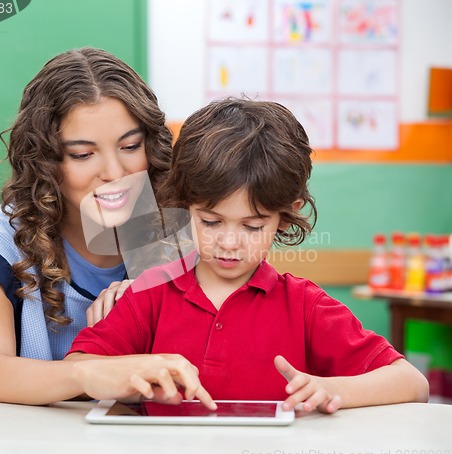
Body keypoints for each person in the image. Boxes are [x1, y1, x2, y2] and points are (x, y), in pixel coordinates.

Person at [65, 97, 429, 413]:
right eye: (210, 221)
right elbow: (79, 368)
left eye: (252, 227)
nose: (229, 242)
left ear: (286, 213)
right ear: (185, 206)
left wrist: (335, 389)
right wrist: (130, 375)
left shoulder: (304, 307)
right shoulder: (150, 294)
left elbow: (411, 382)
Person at [0, 46, 213, 408]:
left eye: (130, 146)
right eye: (82, 154)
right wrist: (89, 373)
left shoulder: (181, 230)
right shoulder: (0, 242)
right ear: (45, 161)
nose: (114, 173)